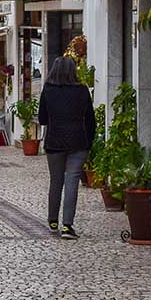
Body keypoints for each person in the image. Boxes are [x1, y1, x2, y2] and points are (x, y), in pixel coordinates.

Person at [37, 56, 95, 239]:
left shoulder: (48, 90)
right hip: (78, 142)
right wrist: (89, 141)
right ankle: (67, 226)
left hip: (54, 142)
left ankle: (53, 219)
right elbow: (90, 120)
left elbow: (42, 119)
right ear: (73, 70)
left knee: (56, 181)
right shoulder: (82, 90)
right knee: (72, 183)